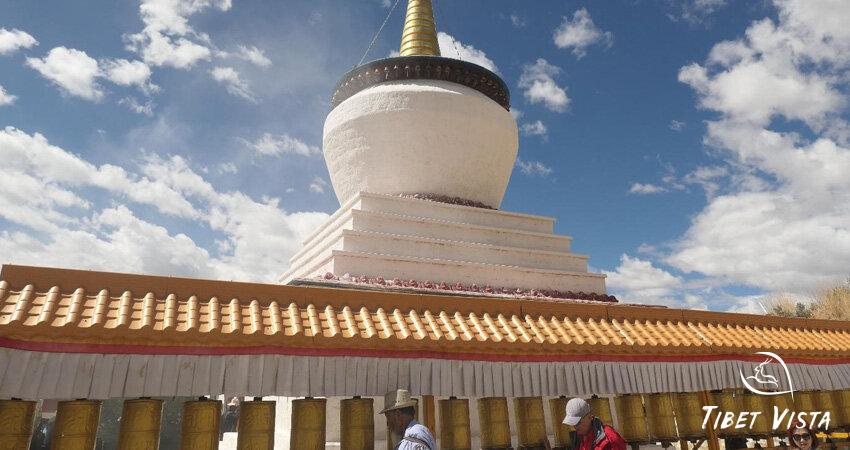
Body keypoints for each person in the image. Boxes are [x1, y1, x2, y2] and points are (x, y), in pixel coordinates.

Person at [545, 397, 627, 450]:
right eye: (573, 423)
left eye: (578, 422)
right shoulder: (579, 439)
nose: (575, 427)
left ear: (590, 417)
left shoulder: (610, 438)